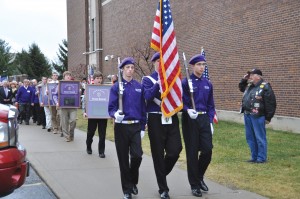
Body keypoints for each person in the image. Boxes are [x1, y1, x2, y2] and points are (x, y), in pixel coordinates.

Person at [142, 52, 182, 199]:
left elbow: (179, 97)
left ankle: (161, 173)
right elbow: (147, 97)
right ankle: (163, 188)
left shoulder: (172, 79)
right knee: (158, 154)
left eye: (163, 61)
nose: (161, 64)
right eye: (158, 61)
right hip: (155, 119)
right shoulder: (148, 79)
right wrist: (158, 84)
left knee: (175, 149)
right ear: (154, 63)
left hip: (171, 118)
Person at [108, 57, 146, 199]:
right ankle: (127, 190)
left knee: (137, 156)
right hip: (122, 128)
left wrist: (143, 126)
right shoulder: (116, 87)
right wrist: (115, 114)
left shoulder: (138, 86)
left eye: (132, 67)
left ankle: (132, 181)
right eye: (127, 67)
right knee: (123, 160)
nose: (130, 70)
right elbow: (111, 108)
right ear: (122, 69)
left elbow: (143, 108)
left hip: (135, 126)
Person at [181, 54, 215, 197]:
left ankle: (199, 177)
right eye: (199, 64)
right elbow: (180, 101)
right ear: (193, 66)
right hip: (190, 119)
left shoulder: (208, 83)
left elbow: (211, 105)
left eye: (203, 65)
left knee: (207, 150)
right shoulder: (185, 82)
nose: (201, 67)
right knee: (192, 153)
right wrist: (188, 109)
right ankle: (194, 185)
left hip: (203, 119)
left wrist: (210, 121)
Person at [239, 68, 276, 163]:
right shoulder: (250, 86)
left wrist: (268, 117)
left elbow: (271, 103)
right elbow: (241, 88)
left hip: (258, 116)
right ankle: (254, 157)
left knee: (259, 137)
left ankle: (261, 158)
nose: (250, 77)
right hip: (247, 115)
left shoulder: (265, 86)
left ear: (258, 76)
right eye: (249, 75)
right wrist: (244, 79)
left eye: (252, 75)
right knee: (250, 137)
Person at [84, 71, 108, 158]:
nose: (99, 80)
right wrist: (85, 112)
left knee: (102, 134)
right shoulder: (89, 88)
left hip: (103, 115)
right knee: (90, 133)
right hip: (92, 114)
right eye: (97, 78)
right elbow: (85, 101)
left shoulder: (106, 89)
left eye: (100, 78)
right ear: (93, 79)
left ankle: (101, 151)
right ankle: (88, 147)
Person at [59, 71, 78, 142]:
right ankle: (67, 136)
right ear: (64, 77)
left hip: (73, 106)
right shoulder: (60, 84)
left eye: (69, 75)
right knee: (64, 122)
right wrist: (57, 102)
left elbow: (78, 93)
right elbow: (55, 94)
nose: (68, 76)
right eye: (66, 75)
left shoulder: (75, 84)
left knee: (73, 120)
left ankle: (71, 134)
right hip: (63, 106)